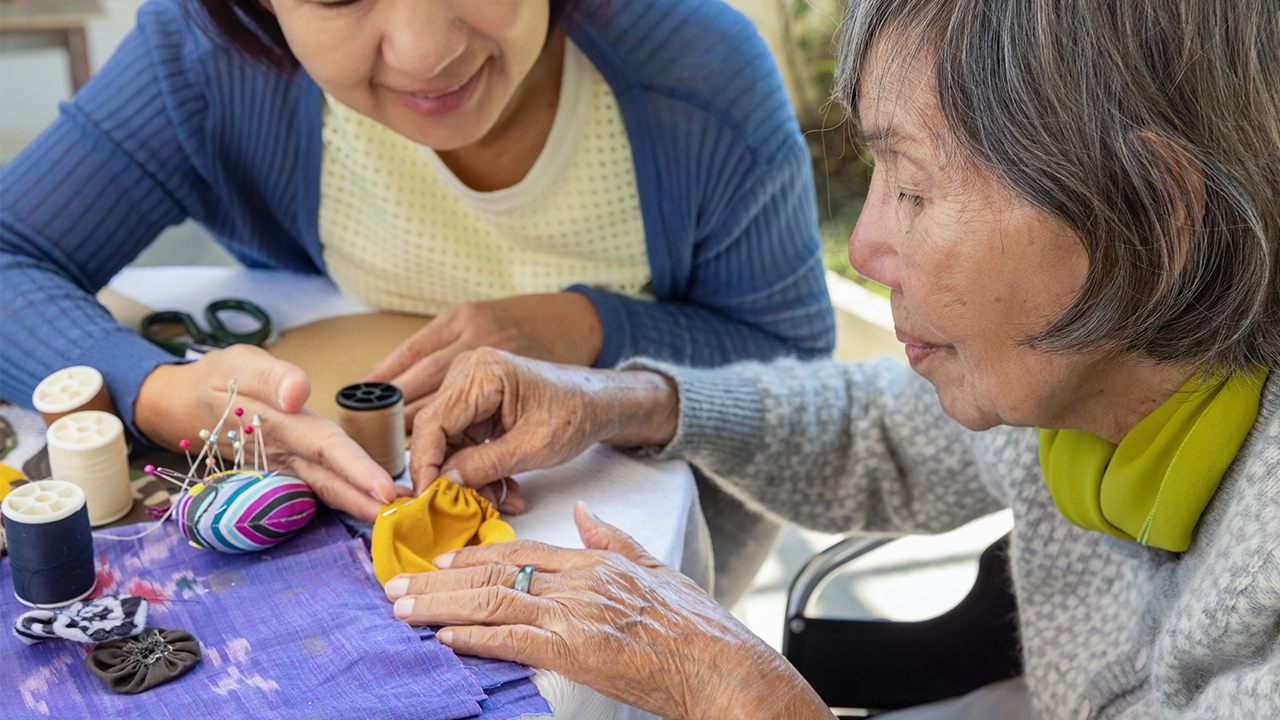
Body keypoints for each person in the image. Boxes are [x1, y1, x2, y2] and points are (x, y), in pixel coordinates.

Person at [383, 0, 1280, 717]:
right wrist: (623, 401)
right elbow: (875, 428)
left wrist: (739, 697)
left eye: (917, 187)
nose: (864, 247)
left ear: (1155, 219)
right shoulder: (1083, 377)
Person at [0, 0, 833, 546]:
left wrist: (595, 328)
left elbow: (803, 389)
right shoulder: (204, 56)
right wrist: (155, 392)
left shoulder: (701, 75)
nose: (429, 52)